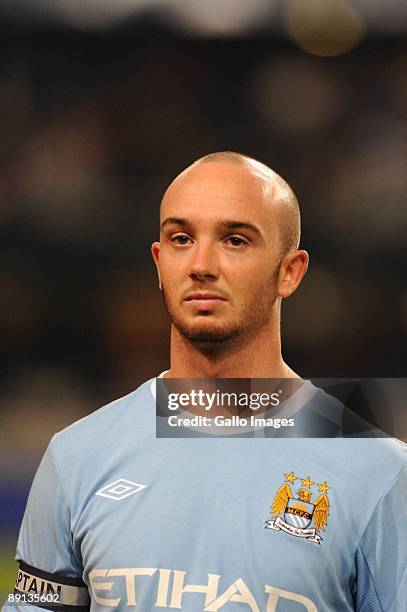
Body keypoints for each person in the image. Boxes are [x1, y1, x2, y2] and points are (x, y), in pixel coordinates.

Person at [4, 152, 407, 611]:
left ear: (290, 272)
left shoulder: (377, 471)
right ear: (158, 262)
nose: (201, 264)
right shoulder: (77, 458)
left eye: (235, 240)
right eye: (180, 238)